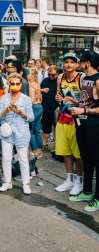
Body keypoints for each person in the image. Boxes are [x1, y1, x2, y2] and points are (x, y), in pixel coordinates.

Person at [68, 50, 99, 212]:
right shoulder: (85, 79)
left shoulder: (98, 80)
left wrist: (84, 111)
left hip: (95, 127)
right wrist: (76, 102)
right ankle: (87, 191)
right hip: (82, 125)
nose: (77, 63)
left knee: (97, 161)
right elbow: (88, 100)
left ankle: (98, 198)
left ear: (87, 63)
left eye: (80, 61)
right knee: (86, 160)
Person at [0, 73, 34, 194]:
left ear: (21, 84)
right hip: (7, 131)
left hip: (22, 132)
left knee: (23, 158)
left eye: (17, 84)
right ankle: (7, 182)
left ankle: (26, 183)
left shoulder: (26, 99)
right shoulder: (4, 98)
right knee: (6, 158)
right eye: (12, 84)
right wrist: (6, 110)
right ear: (8, 84)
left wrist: (22, 113)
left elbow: (31, 118)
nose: (15, 86)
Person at [54, 53, 84, 196]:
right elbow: (58, 96)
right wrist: (58, 99)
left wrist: (76, 102)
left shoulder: (81, 78)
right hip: (62, 117)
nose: (69, 64)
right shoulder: (61, 77)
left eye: (72, 62)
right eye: (66, 62)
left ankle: (79, 181)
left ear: (77, 64)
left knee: (77, 153)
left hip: (76, 119)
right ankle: (69, 179)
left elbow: (87, 101)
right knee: (65, 151)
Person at [40, 66, 59, 152]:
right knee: (46, 127)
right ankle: (45, 144)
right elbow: (39, 90)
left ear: (57, 73)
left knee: (57, 128)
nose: (50, 76)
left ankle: (57, 146)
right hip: (45, 108)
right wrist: (42, 90)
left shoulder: (59, 81)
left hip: (56, 108)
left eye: (53, 75)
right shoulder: (45, 80)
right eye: (49, 74)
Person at [27, 68, 43, 158]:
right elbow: (41, 98)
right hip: (39, 106)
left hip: (33, 107)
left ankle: (35, 151)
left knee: (30, 130)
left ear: (31, 75)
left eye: (28, 74)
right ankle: (40, 150)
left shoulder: (31, 86)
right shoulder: (37, 84)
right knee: (37, 130)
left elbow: (32, 100)